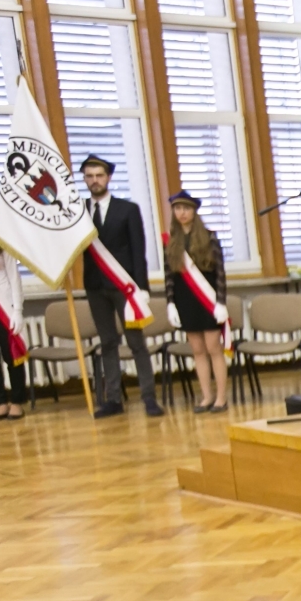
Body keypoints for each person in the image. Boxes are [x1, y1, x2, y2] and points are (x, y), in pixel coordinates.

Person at [80, 155, 162, 419]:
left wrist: (142, 287)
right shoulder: (78, 212)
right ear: (85, 179)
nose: (95, 180)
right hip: (95, 286)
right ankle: (113, 399)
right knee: (107, 343)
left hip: (125, 286)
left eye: (99, 175)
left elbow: (139, 250)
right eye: (89, 176)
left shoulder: (128, 209)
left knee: (136, 342)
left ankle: (149, 398)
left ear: (109, 178)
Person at [165, 191, 229, 413]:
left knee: (213, 348)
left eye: (186, 208)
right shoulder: (170, 241)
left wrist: (221, 302)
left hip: (208, 300)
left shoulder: (209, 237)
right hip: (185, 301)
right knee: (198, 350)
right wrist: (170, 303)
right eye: (177, 208)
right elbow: (169, 277)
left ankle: (221, 398)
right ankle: (207, 396)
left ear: (194, 211)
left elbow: (220, 273)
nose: (182, 213)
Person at [0, 202, 28, 422]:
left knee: (12, 356)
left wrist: (17, 310)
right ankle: (0, 402)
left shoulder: (0, 238)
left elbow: (14, 275)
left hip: (4, 307)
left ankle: (17, 401)